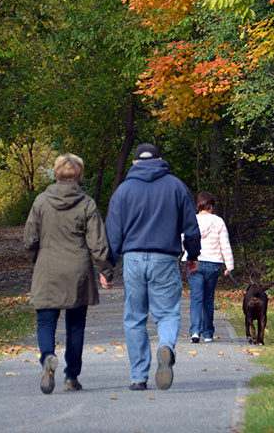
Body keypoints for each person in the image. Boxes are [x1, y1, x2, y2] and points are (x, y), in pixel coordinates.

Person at [102, 143, 200, 391]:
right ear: (160, 160)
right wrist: (193, 255)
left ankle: (138, 377)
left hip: (133, 259)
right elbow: (191, 227)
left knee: (134, 318)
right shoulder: (176, 186)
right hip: (165, 258)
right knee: (167, 313)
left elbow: (113, 232)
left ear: (134, 163)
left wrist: (107, 266)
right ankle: (165, 346)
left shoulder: (123, 191)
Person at [24, 153, 114, 395]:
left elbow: (30, 238)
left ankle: (47, 358)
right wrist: (106, 270)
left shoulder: (41, 201)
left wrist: (37, 258)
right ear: (79, 175)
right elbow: (98, 242)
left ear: (56, 173)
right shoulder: (86, 204)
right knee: (75, 326)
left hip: (47, 268)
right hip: (77, 270)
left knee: (45, 321)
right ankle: (71, 376)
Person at [187, 191, 234, 344]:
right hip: (213, 263)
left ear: (197, 205)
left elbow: (184, 240)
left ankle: (195, 331)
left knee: (196, 298)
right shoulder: (218, 222)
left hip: (195, 262)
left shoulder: (191, 220)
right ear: (211, 206)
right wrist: (229, 265)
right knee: (208, 299)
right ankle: (208, 333)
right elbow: (224, 244)